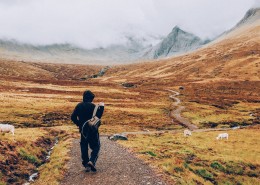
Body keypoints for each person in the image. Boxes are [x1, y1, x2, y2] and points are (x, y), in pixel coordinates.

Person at [71, 90, 104, 172]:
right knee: (96, 146)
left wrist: (78, 124)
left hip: (83, 131)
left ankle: (86, 164)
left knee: (84, 146)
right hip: (93, 130)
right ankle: (92, 161)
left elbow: (73, 117)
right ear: (91, 98)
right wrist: (101, 108)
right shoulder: (93, 106)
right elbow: (98, 118)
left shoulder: (79, 106)